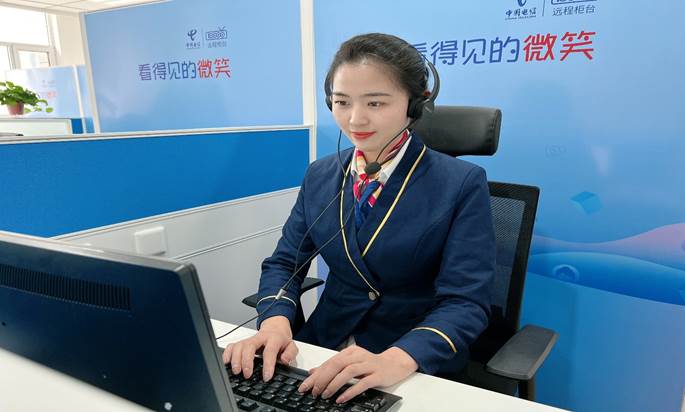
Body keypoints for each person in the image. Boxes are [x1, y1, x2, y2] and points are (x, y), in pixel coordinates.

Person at [223, 33, 495, 404]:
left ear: (415, 104)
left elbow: (465, 302)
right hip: (322, 348)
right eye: (341, 102)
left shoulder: (461, 183)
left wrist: (398, 358)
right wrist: (275, 322)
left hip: (410, 359)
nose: (355, 119)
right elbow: (285, 263)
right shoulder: (321, 175)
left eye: (375, 102)